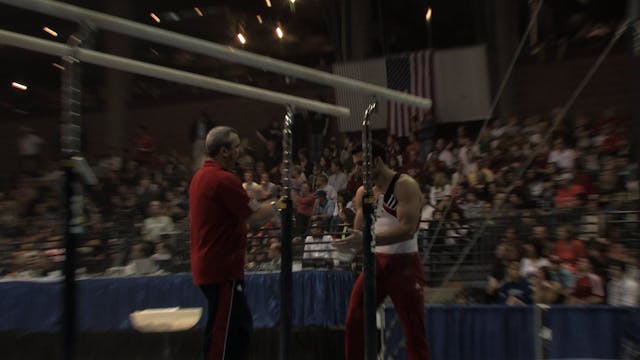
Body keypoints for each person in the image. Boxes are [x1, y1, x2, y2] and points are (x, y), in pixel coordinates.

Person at [334, 141, 429, 360]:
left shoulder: (404, 185)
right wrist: (348, 242)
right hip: (376, 264)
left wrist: (367, 239)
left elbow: (407, 229)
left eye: (361, 164)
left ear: (376, 161)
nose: (358, 170)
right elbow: (359, 234)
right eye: (356, 165)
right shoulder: (362, 192)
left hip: (404, 265)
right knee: (354, 320)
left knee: (414, 331)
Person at [189, 126, 277, 360]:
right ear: (225, 151)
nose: (240, 152)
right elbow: (255, 216)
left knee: (238, 329)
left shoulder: (200, 176)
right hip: (221, 270)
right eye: (236, 147)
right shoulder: (222, 179)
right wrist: (282, 204)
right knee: (224, 334)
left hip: (214, 266)